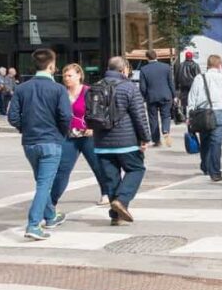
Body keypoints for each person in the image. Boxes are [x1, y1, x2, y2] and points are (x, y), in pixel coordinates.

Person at [8, 49, 72, 240]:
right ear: (51, 66)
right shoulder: (58, 89)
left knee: (42, 181)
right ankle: (34, 224)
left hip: (30, 142)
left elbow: (13, 117)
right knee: (44, 185)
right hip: (51, 141)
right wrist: (61, 133)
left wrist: (25, 128)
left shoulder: (22, 88)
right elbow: (65, 116)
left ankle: (51, 216)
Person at [93, 56, 151, 226]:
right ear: (124, 69)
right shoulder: (129, 87)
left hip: (101, 142)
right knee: (136, 169)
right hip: (126, 141)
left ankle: (115, 216)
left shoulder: (96, 87)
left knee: (111, 179)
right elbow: (139, 115)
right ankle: (122, 201)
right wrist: (145, 137)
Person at [51, 63, 109, 211]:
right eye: (64, 76)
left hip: (88, 135)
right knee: (63, 169)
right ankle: (51, 201)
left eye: (70, 75)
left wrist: (93, 127)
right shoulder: (61, 93)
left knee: (97, 165)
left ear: (79, 76)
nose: (66, 78)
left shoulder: (88, 91)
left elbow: (99, 112)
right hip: (68, 136)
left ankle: (106, 193)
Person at [187, 54, 222, 182]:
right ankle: (215, 172)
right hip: (218, 112)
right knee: (216, 142)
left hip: (202, 113)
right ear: (219, 65)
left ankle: (205, 166)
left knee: (205, 140)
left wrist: (190, 114)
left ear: (208, 64)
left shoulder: (199, 78)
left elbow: (192, 97)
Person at [139, 50, 175, 147]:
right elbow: (171, 83)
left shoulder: (144, 69)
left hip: (151, 97)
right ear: (156, 56)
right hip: (165, 95)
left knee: (153, 118)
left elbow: (142, 87)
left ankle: (156, 140)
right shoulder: (166, 67)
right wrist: (174, 95)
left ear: (147, 58)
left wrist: (144, 97)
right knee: (166, 115)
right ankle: (165, 130)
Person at [175, 51, 201, 116]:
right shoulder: (195, 65)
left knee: (184, 101)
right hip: (193, 85)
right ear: (191, 57)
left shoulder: (181, 65)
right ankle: (193, 113)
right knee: (194, 99)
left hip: (183, 86)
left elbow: (177, 76)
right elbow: (198, 76)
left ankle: (184, 113)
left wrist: (176, 86)